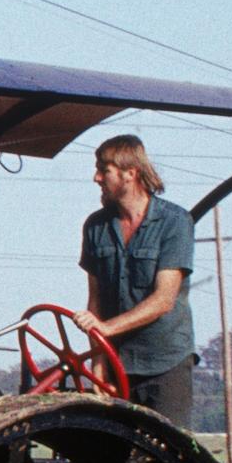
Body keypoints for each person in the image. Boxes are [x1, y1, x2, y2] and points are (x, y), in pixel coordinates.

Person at [77, 133, 197, 423]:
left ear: (129, 173)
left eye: (104, 170)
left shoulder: (175, 222)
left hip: (164, 362)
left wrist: (106, 328)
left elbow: (163, 300)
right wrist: (98, 362)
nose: (96, 178)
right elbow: (95, 302)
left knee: (168, 446)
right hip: (116, 362)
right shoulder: (96, 227)